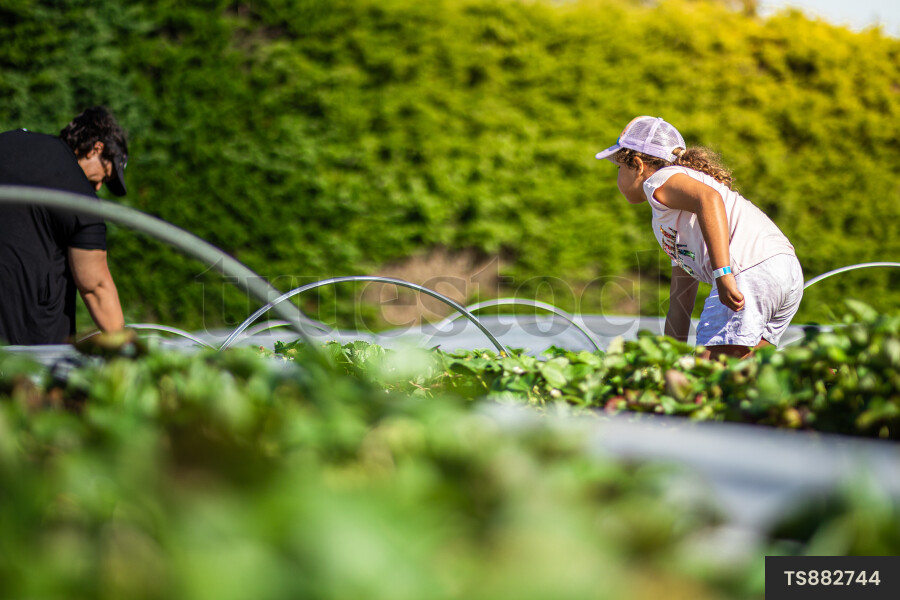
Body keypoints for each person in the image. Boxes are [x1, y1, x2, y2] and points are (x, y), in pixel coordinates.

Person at [595, 116, 803, 360]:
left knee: (709, 374)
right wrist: (667, 360)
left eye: (619, 167)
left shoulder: (658, 181)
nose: (617, 175)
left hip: (748, 271)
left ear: (638, 165)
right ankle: (829, 377)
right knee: (752, 374)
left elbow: (709, 199)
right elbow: (680, 302)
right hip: (784, 271)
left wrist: (723, 274)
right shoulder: (672, 217)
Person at [0, 106, 128, 345]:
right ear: (96, 148)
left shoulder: (9, 142)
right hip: (31, 350)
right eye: (105, 174)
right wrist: (127, 350)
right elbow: (96, 287)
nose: (99, 187)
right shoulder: (80, 198)